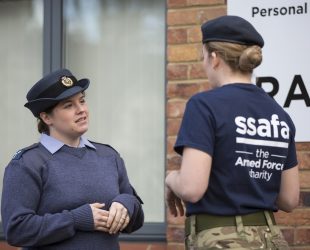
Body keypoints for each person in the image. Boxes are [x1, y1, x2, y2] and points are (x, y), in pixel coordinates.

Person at [165, 15, 299, 249]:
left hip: (221, 241)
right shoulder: (279, 114)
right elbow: (289, 199)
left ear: (215, 58)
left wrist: (170, 179)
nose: (203, 63)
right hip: (271, 239)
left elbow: (191, 188)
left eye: (203, 56)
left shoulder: (204, 105)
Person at [1, 69, 144, 250]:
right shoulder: (27, 163)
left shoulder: (108, 156)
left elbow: (136, 220)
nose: (81, 110)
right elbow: (16, 230)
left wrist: (127, 204)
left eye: (82, 101)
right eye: (68, 105)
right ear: (46, 117)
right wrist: (76, 219)